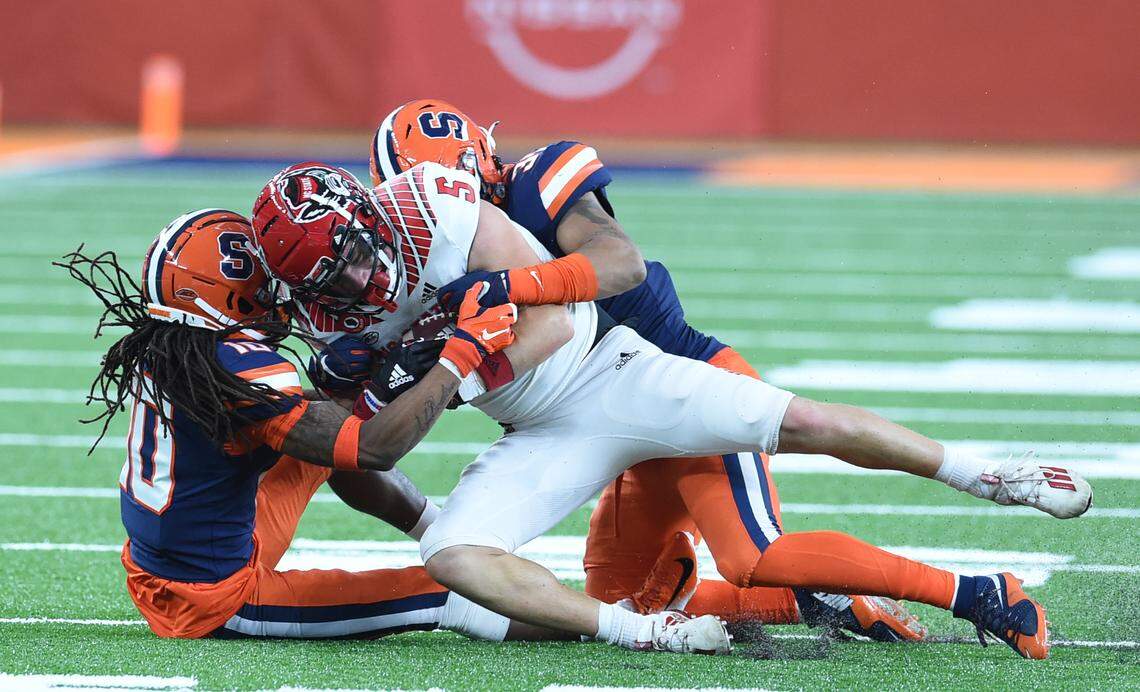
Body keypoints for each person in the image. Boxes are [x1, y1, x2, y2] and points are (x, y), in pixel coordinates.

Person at [253, 161, 1090, 660]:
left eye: (359, 261)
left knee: (786, 476)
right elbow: (372, 448)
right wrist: (401, 381)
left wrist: (460, 361)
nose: (362, 288)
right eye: (334, 284)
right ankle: (651, 636)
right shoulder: (331, 316)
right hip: (540, 431)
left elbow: (578, 297)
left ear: (377, 208)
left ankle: (991, 480)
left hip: (625, 372)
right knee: (458, 556)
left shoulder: (455, 209)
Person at [363, 98, 923, 640]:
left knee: (753, 555)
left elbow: (618, 268)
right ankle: (809, 602)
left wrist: (506, 291)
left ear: (476, 163)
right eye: (416, 195)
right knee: (609, 603)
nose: (435, 203)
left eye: (439, 184)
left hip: (685, 386)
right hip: (603, 420)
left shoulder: (535, 186)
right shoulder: (432, 247)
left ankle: (966, 586)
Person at [58, 208, 531, 642]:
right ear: (228, 291)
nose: (276, 292)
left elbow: (311, 423)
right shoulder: (235, 368)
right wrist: (458, 357)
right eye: (261, 283)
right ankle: (597, 621)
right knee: (451, 592)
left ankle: (440, 532)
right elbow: (374, 450)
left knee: (327, 433)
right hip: (217, 598)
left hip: (166, 564)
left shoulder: (171, 349)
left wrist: (349, 392)